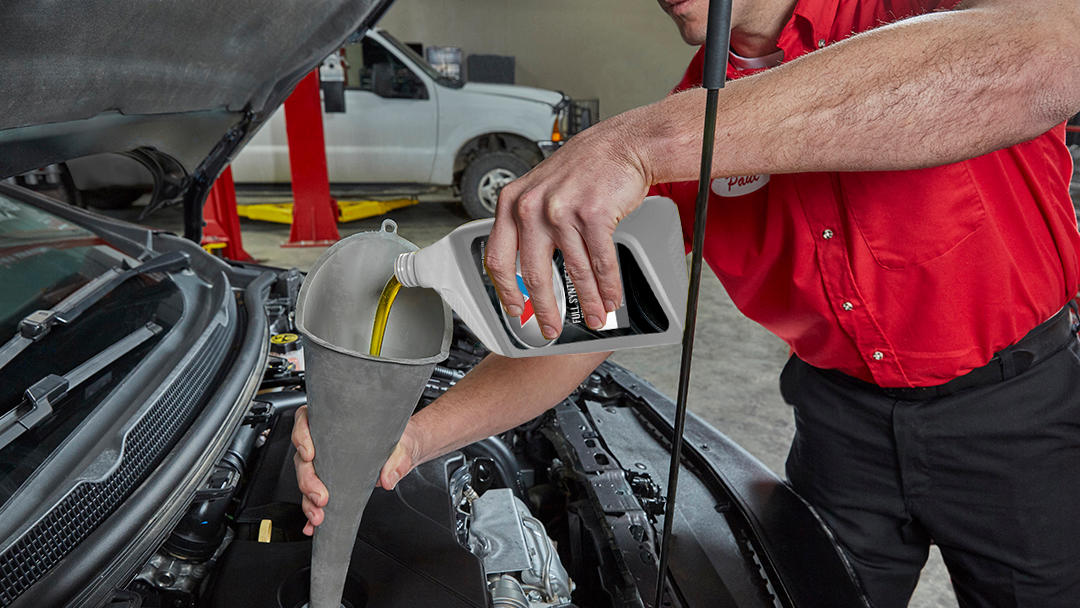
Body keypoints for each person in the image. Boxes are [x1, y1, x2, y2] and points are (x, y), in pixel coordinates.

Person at [295, 0, 1080, 605]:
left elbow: (1052, 55)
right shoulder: (686, 115)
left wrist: (647, 142)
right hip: (839, 430)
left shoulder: (922, 15)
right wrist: (415, 436)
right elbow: (586, 329)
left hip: (1017, 417)